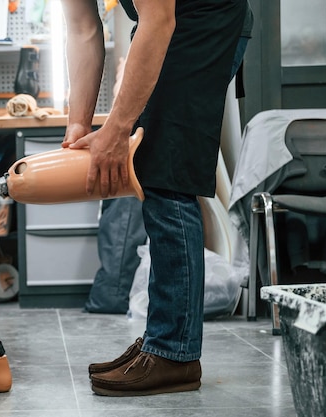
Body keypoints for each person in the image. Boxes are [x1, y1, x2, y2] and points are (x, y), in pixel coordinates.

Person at [60, 0, 248, 396]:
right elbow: (83, 29)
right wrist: (78, 124)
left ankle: (174, 353)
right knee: (150, 164)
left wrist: (116, 130)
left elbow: (159, 19)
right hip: (167, 22)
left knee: (166, 170)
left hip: (206, 20)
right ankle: (161, 339)